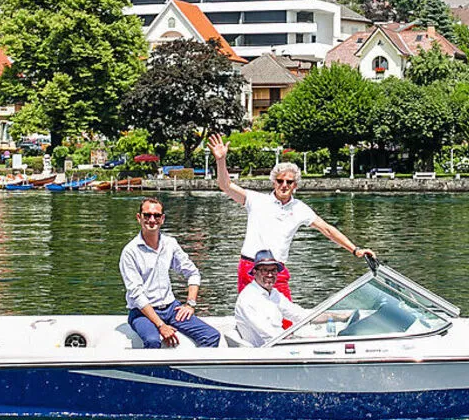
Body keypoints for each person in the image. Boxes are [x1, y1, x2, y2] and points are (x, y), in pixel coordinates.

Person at [208, 134, 375, 297]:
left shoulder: (300, 208)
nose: (284, 185)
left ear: (295, 185)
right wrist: (221, 160)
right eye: (280, 181)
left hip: (277, 269)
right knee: (251, 316)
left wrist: (355, 250)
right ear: (274, 182)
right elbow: (225, 185)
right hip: (251, 267)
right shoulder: (255, 200)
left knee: (287, 321)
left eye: (289, 182)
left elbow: (327, 229)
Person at [119, 197, 221, 349]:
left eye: (156, 216)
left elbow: (193, 273)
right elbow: (136, 295)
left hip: (171, 308)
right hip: (141, 312)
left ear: (163, 219)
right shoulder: (130, 252)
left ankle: (193, 372)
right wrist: (161, 325)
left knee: (212, 336)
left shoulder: (170, 244)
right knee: (153, 340)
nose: (152, 220)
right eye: (147, 215)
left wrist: (190, 304)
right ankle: (149, 373)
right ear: (139, 217)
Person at [234, 250, 310, 347]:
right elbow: (270, 335)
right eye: (265, 270)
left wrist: (331, 316)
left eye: (273, 270)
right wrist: (299, 340)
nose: (270, 275)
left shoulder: (273, 293)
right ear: (255, 272)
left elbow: (300, 315)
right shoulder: (249, 298)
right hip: (265, 353)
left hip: (278, 345)